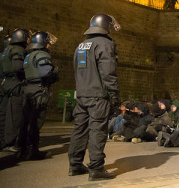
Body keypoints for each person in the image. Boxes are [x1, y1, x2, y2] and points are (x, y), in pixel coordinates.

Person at [68, 14, 120, 181]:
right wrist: (114, 93)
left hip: (82, 94)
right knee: (97, 130)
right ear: (105, 26)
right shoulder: (105, 44)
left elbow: (76, 70)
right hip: (98, 95)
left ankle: (75, 165)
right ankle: (96, 168)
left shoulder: (81, 45)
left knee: (80, 129)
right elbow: (108, 71)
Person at [17, 32, 59, 160]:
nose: (48, 45)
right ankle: (32, 151)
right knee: (36, 122)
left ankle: (22, 149)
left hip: (28, 88)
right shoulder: (42, 55)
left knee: (25, 121)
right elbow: (46, 72)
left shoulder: (28, 56)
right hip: (39, 90)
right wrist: (55, 71)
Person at [0, 29, 31, 152]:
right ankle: (9, 143)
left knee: (3, 115)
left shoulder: (7, 50)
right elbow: (18, 67)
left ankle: (2, 141)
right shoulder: (18, 50)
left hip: (5, 83)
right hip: (15, 83)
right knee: (14, 115)